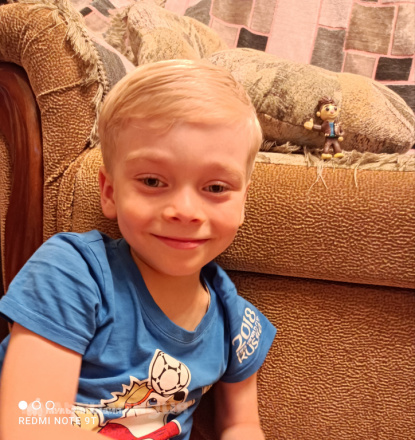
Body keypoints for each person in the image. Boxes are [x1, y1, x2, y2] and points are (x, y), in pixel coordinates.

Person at [0, 60, 276, 440]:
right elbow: (29, 428)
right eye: (152, 181)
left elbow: (241, 425)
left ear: (243, 201)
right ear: (110, 192)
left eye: (215, 188)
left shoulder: (234, 321)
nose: (185, 211)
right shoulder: (72, 273)